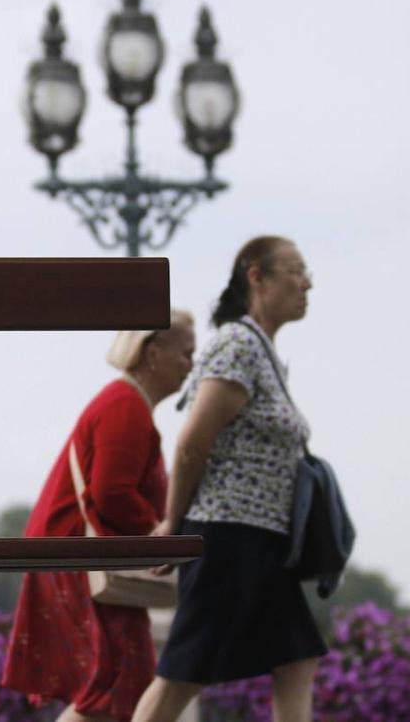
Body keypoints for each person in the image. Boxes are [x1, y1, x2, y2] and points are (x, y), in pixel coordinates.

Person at [131, 236, 325, 722]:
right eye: (295, 271)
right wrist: (173, 524)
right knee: (181, 675)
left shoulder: (262, 351)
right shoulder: (238, 344)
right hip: (229, 536)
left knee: (297, 659)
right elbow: (193, 440)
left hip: (263, 539)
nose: (307, 283)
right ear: (256, 277)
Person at [2, 310, 197, 722]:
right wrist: (157, 531)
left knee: (114, 684)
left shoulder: (125, 402)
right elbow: (111, 493)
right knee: (114, 684)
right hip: (78, 561)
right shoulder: (125, 405)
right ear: (152, 353)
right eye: (186, 353)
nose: (191, 366)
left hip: (74, 557)